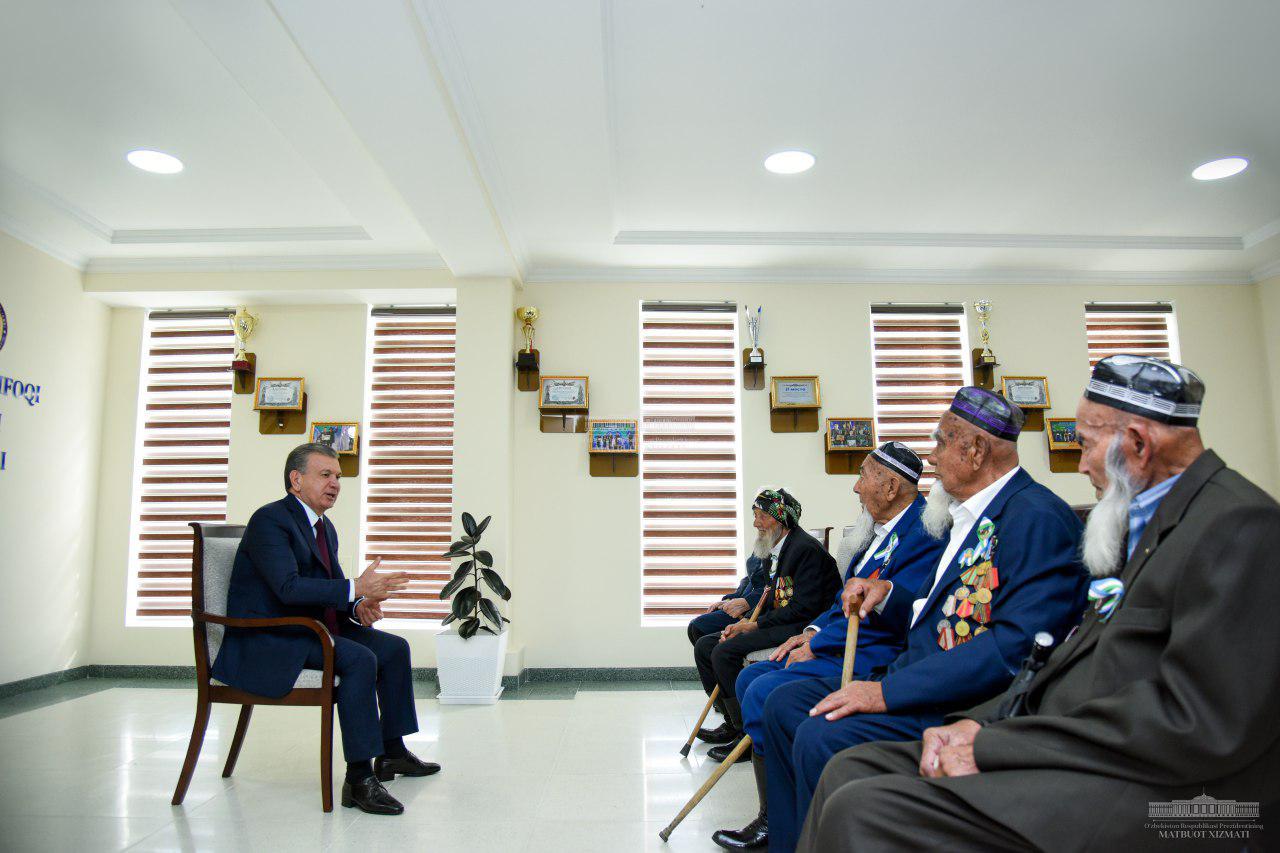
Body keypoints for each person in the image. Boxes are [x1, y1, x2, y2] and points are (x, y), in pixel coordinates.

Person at [797, 356, 1280, 853]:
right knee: (850, 768)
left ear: (1137, 443)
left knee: (865, 808)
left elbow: (1200, 722)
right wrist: (984, 723)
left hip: (1166, 793)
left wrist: (995, 742)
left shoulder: (1238, 525)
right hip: (1074, 738)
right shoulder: (1142, 521)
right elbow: (1063, 660)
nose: (1081, 464)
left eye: (1085, 444)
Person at [762, 387, 1090, 852]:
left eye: (940, 442)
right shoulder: (967, 516)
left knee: (822, 734)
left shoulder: (1035, 518)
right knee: (787, 703)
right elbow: (942, 607)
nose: (931, 457)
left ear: (975, 451)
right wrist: (887, 594)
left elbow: (1016, 647)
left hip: (961, 704)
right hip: (914, 676)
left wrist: (884, 693)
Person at [710, 443, 948, 850]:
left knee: (765, 690)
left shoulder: (923, 534)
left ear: (891, 487)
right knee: (751, 678)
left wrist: (819, 643)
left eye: (862, 476)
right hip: (838, 639)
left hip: (874, 652)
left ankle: (778, 822)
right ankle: (776, 813)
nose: (856, 488)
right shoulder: (877, 533)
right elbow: (842, 600)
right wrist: (812, 633)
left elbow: (888, 611)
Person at [211, 443, 439, 816]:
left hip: (308, 627)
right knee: (360, 659)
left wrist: (357, 605)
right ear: (296, 480)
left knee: (394, 648)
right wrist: (355, 587)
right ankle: (359, 778)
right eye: (325, 475)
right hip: (270, 636)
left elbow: (330, 587)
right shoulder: (270, 520)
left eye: (338, 476)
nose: (335, 483)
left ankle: (392, 752)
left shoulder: (323, 527)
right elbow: (288, 588)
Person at [692, 488, 841, 750]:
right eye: (755, 515)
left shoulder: (805, 550)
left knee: (723, 651)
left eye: (762, 516)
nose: (756, 523)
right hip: (781, 620)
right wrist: (746, 621)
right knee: (705, 646)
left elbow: (802, 609)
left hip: (802, 626)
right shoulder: (777, 548)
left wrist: (754, 625)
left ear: (782, 519)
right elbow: (773, 597)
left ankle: (746, 737)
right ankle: (733, 722)